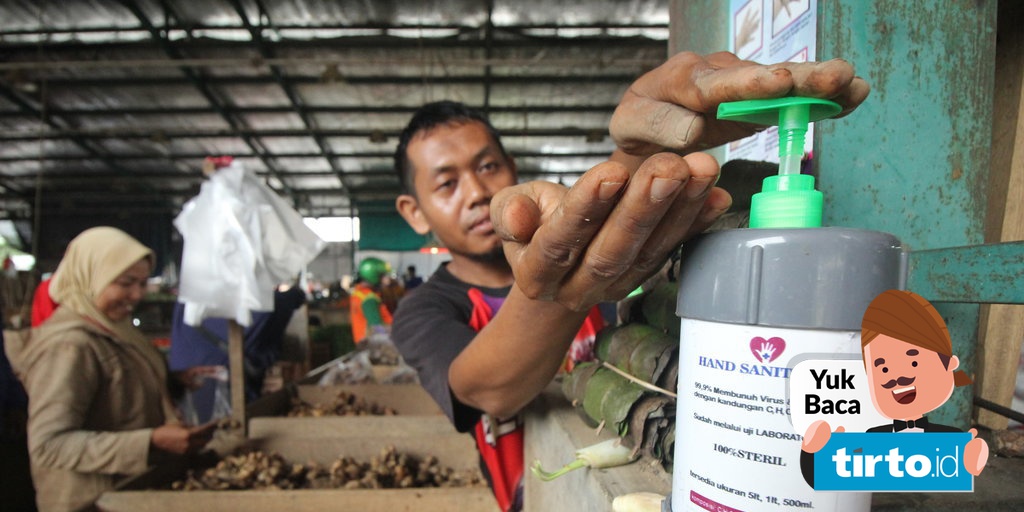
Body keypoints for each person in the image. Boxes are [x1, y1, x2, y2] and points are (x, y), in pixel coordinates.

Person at [390, 51, 870, 511]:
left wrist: (638, 151)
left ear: (512, 167)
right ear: (414, 211)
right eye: (446, 183)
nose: (475, 192)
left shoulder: (605, 249)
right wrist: (564, 283)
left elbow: (615, 212)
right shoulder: (425, 311)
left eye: (487, 166)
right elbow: (488, 391)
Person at [6, 227, 216, 512]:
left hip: (125, 494)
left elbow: (113, 395)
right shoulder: (70, 345)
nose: (136, 294)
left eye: (142, 283)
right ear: (91, 276)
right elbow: (49, 445)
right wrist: (150, 441)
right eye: (126, 283)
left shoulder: (114, 330)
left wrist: (172, 382)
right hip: (88, 502)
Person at [800, 289, 988, 486]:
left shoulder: (950, 440)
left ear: (949, 364)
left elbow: (962, 468)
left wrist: (970, 461)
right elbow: (827, 473)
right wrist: (815, 453)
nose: (898, 379)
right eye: (884, 368)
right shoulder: (872, 437)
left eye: (913, 363)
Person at [167, 284, 307, 423]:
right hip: (215, 386)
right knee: (220, 432)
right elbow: (261, 317)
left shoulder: (190, 295)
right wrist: (295, 294)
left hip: (191, 384)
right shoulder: (236, 300)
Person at [349, 257, 394, 343]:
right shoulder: (369, 300)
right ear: (374, 276)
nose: (388, 281)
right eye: (384, 276)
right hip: (375, 346)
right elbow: (376, 327)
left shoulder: (358, 293)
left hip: (364, 344)